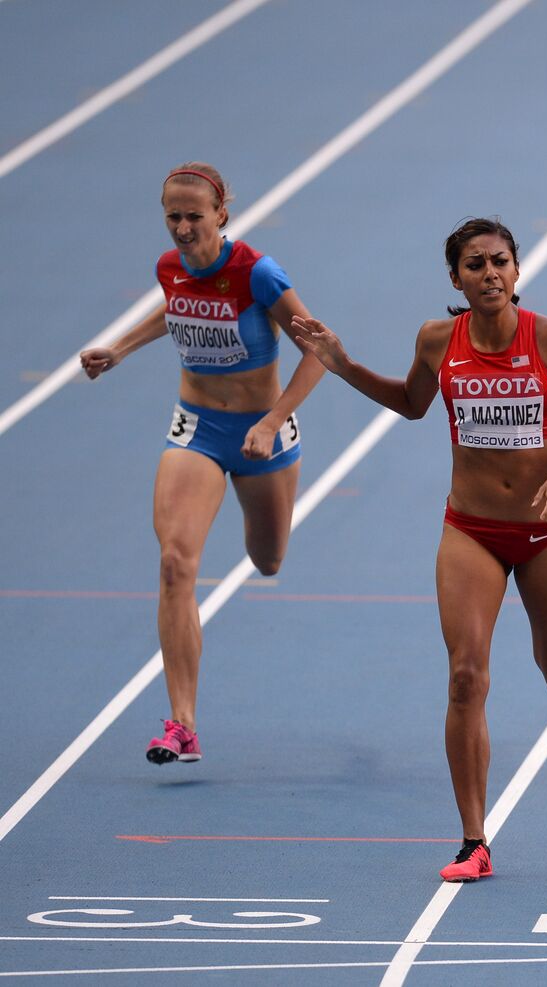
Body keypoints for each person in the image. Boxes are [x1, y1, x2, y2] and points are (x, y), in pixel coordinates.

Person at [288, 218, 547, 883]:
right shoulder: (438, 340)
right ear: (456, 278)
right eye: (474, 264)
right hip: (471, 529)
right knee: (467, 674)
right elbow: (411, 404)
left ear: (517, 271)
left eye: (499, 261)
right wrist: (342, 364)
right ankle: (474, 839)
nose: (489, 272)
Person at [79, 162, 325, 765]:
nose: (183, 228)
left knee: (267, 560)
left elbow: (318, 349)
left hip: (262, 435)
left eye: (194, 216)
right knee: (173, 562)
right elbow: (173, 310)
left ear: (222, 215)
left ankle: (261, 497)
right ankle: (182, 722)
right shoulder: (170, 268)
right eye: (173, 217)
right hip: (197, 429)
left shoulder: (257, 274)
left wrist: (270, 422)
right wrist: (118, 350)